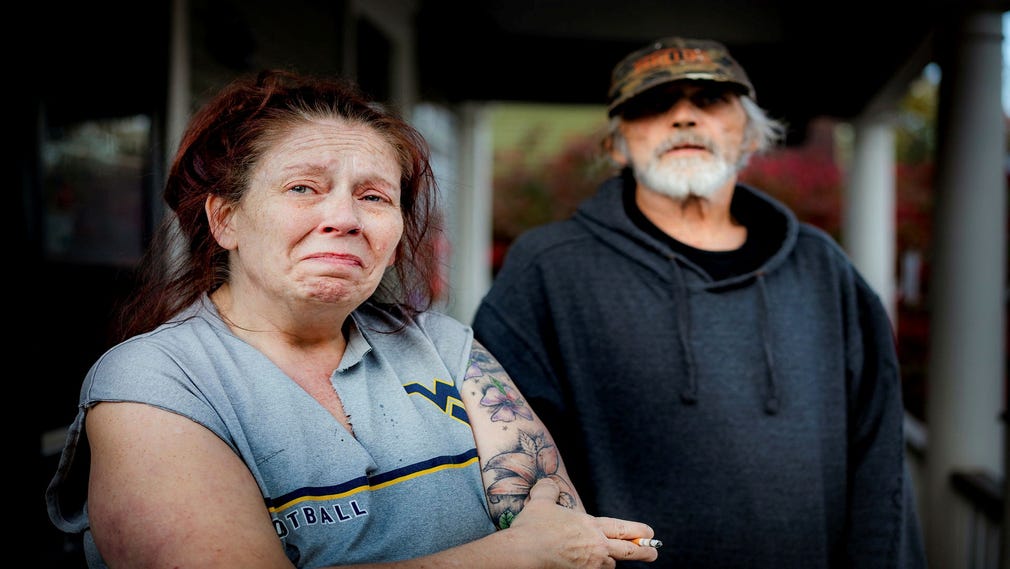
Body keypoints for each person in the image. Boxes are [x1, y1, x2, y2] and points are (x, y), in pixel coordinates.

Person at [44, 69, 660, 569]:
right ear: (224, 219)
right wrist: (511, 555)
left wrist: (549, 549)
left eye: (373, 196)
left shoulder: (443, 346)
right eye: (304, 188)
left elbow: (564, 534)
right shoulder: (152, 384)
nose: (345, 218)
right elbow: (542, 548)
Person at [471, 37, 927, 568]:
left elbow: (879, 458)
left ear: (750, 134)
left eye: (708, 101)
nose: (683, 116)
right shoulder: (546, 269)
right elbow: (507, 462)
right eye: (655, 104)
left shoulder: (823, 268)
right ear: (618, 144)